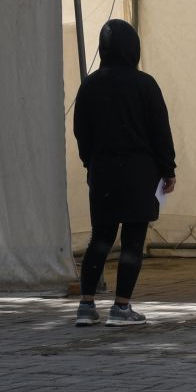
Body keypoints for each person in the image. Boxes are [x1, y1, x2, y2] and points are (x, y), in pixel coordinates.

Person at [71, 19, 175, 327]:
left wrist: (90, 163)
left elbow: (81, 131)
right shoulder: (145, 84)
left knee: (100, 238)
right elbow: (160, 131)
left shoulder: (89, 85)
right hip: (139, 173)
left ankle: (86, 305)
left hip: (102, 171)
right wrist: (168, 168)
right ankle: (121, 307)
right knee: (132, 240)